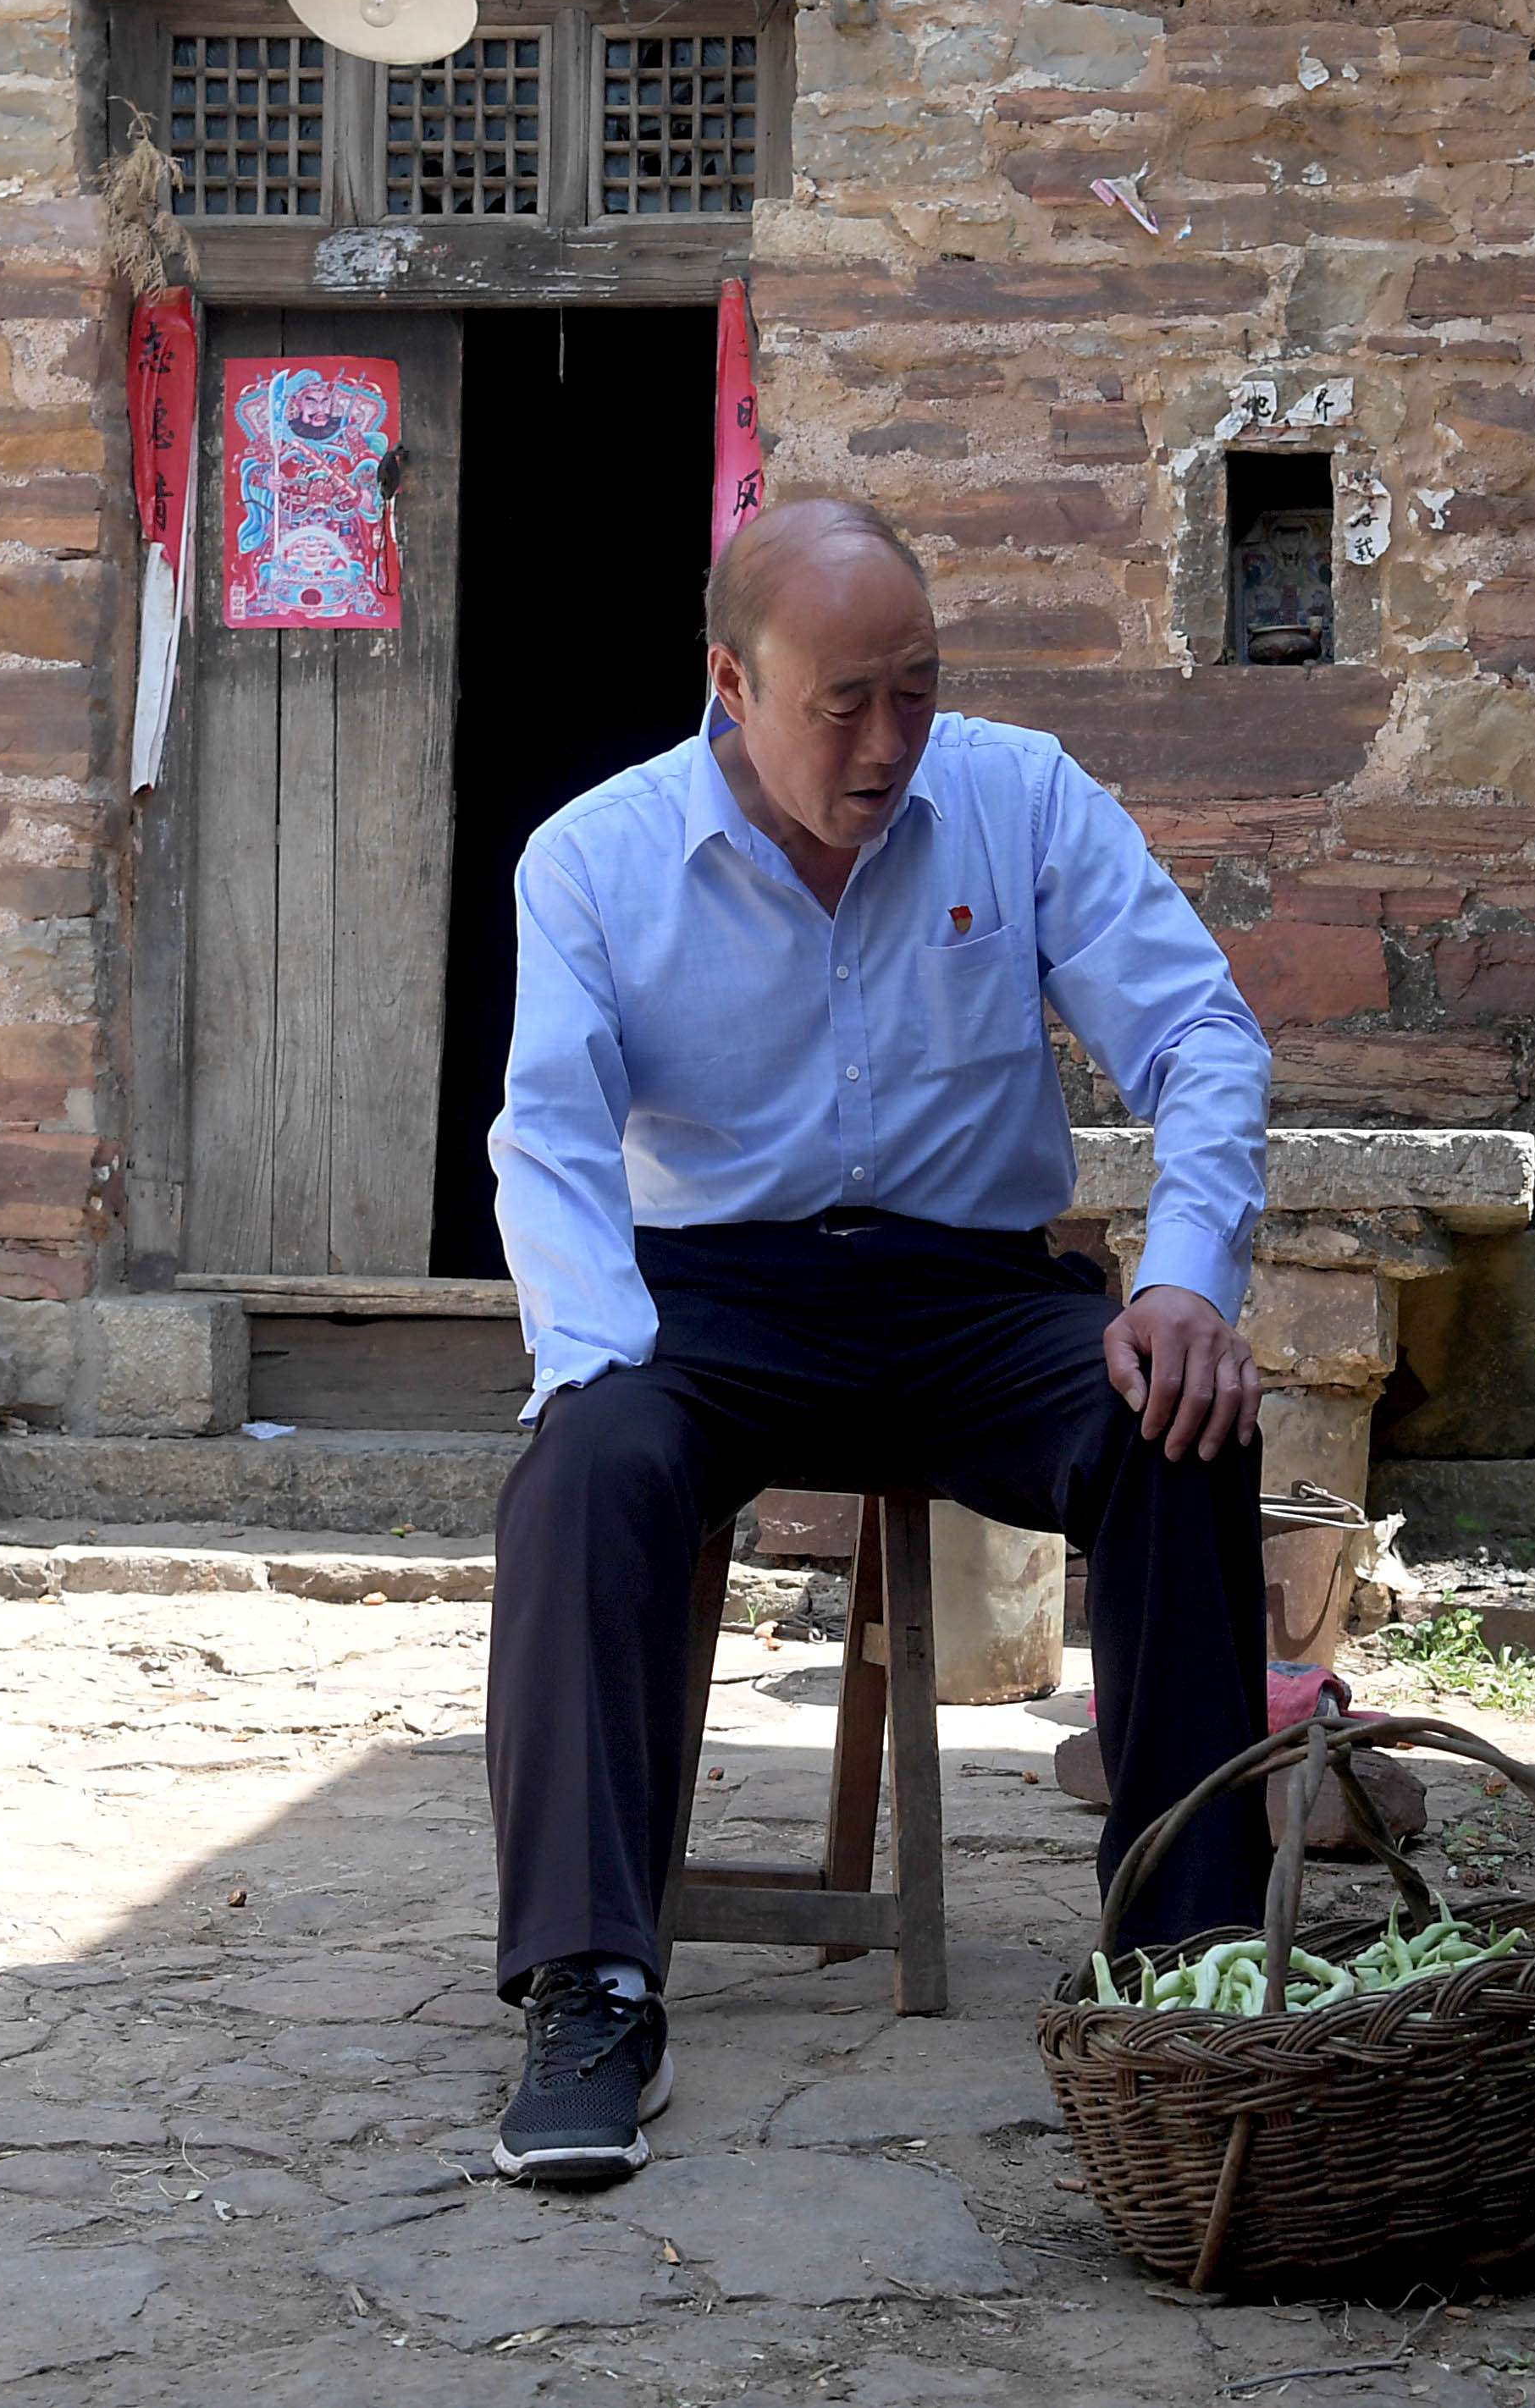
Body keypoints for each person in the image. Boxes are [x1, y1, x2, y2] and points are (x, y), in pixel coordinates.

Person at [481, 495, 1276, 2188]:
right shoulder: (594, 858)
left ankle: (1184, 1960)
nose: (887, 740)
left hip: (972, 1290)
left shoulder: (1021, 794)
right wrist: (594, 1361)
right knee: (586, 1466)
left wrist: (1186, 1276)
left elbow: (1200, 1033)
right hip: (716, 1296)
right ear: (730, 684)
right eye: (841, 702)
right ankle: (592, 1983)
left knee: (1178, 1416)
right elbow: (546, 1138)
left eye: (914, 690)